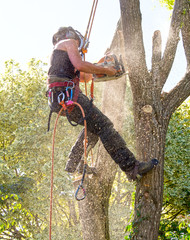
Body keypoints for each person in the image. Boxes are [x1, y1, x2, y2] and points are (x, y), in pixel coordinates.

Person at [47, 26, 158, 181]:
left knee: (94, 127)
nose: (78, 46)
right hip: (67, 93)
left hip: (59, 97)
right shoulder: (69, 42)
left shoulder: (60, 54)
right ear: (70, 35)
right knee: (104, 126)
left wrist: (101, 65)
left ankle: (75, 162)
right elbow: (80, 66)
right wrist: (107, 70)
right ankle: (132, 167)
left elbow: (85, 76)